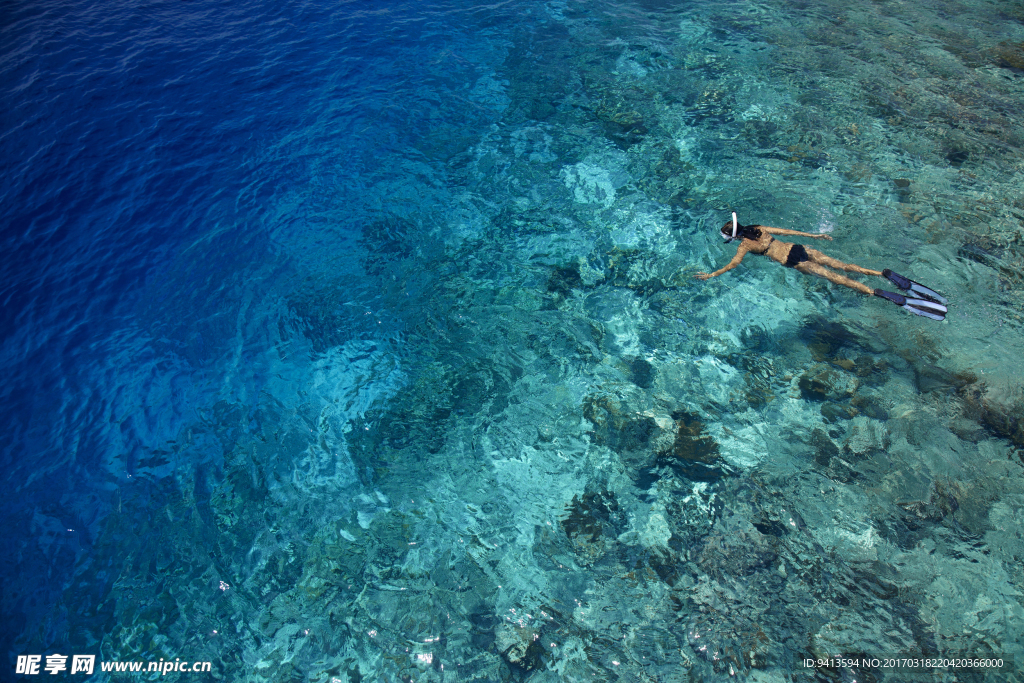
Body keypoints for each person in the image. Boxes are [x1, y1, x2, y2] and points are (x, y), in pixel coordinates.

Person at [694, 213, 947, 320]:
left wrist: (713, 274)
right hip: (798, 248)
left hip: (793, 260)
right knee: (846, 266)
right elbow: (787, 231)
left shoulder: (745, 246)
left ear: (734, 236)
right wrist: (815, 236)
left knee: (838, 279)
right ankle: (881, 274)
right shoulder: (759, 228)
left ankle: (875, 291)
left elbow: (733, 265)